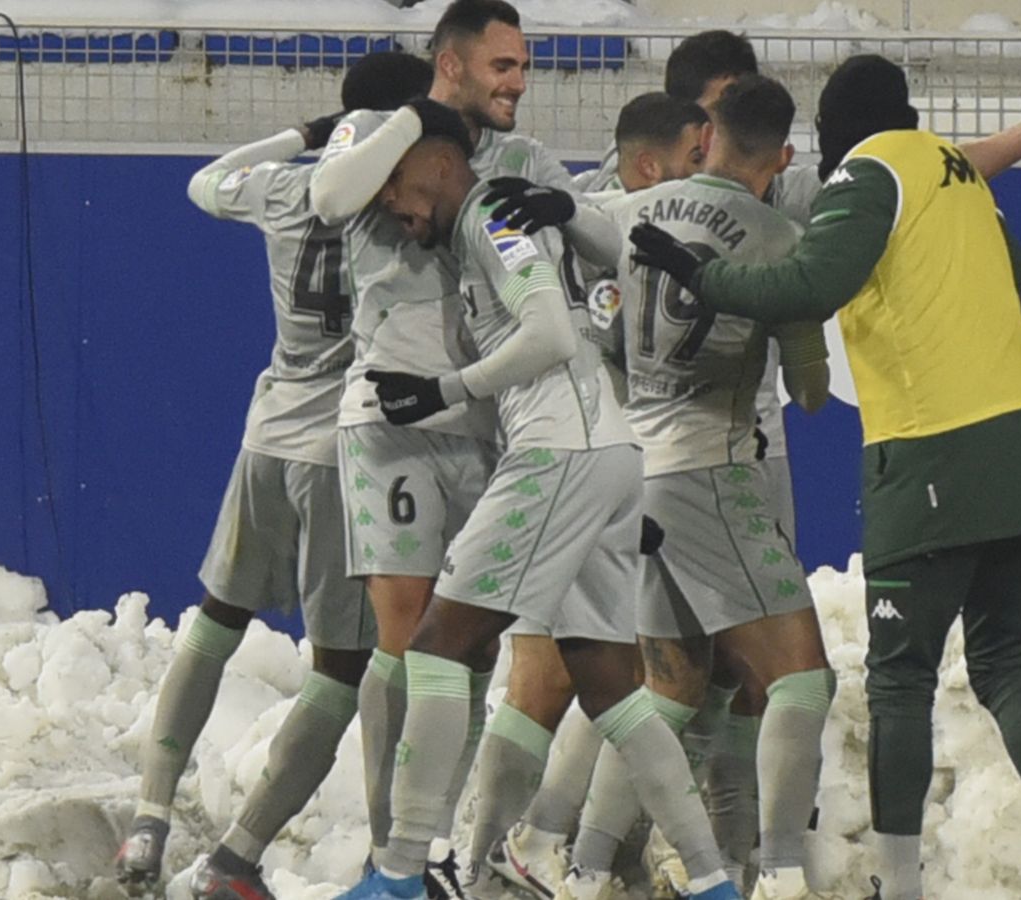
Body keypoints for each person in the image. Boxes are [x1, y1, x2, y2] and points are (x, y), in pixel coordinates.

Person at [630, 54, 1021, 900]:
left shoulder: (866, 170)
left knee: (899, 678)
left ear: (828, 131)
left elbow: (813, 282)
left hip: (932, 450)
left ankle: (898, 884)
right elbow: (1018, 267)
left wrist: (698, 274)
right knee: (1004, 662)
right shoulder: (953, 174)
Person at [330, 99, 742, 900]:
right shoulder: (490, 220)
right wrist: (575, 216)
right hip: (605, 450)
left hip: (562, 450)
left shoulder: (486, 212)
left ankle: (401, 873)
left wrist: (442, 388)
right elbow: (611, 259)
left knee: (439, 648)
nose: (391, 203)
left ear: (441, 163)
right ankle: (712, 882)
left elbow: (551, 334)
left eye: (397, 186)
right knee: (611, 687)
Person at [113, 52, 432, 900]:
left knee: (216, 620)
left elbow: (206, 181)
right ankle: (237, 858)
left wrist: (303, 135)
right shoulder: (400, 205)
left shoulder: (287, 190)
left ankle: (147, 823)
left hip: (266, 437)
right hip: (345, 453)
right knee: (342, 666)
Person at [309, 3, 614, 893]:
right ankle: (396, 853)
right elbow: (329, 200)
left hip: (488, 429)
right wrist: (418, 118)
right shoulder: (376, 136)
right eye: (503, 67)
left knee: (469, 649)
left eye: (524, 67)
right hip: (395, 422)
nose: (519, 82)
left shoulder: (524, 162)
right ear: (451, 64)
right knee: (408, 639)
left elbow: (594, 246)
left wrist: (571, 209)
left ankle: (438, 850)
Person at [532, 74, 835, 900]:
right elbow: (810, 391)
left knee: (669, 690)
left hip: (643, 474)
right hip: (716, 476)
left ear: (705, 138)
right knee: (803, 681)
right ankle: (778, 872)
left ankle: (581, 862)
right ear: (780, 154)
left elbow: (611, 351)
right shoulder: (777, 236)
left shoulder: (635, 212)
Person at [462, 89, 711, 900]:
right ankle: (502, 855)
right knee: (551, 672)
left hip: (596, 471)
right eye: (693, 155)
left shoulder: (588, 212)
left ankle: (524, 846)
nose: (704, 170)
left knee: (585, 672)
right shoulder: (605, 225)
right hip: (576, 469)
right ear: (652, 162)